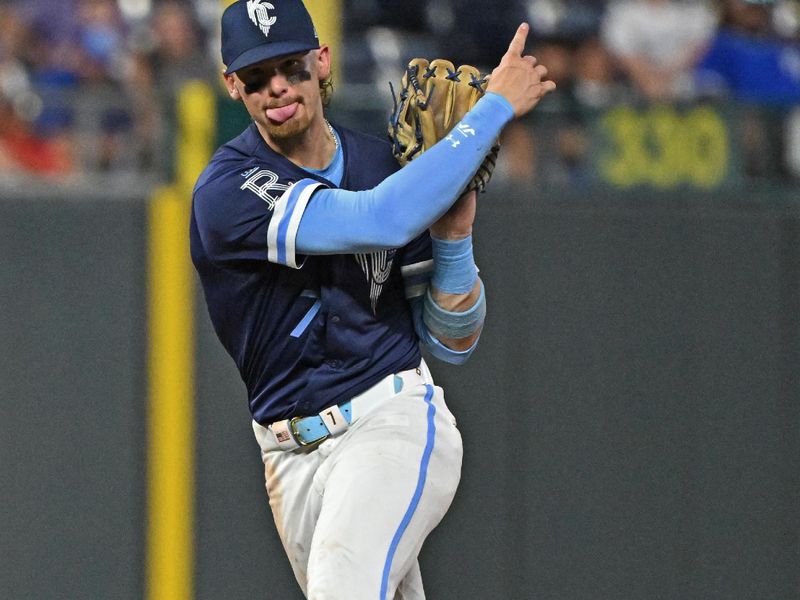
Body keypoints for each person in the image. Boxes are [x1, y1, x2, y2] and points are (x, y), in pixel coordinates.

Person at [190, 1, 555, 598]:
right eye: (256, 76)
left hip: (391, 421)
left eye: (291, 66)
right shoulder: (228, 191)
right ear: (233, 85)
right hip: (289, 460)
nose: (277, 86)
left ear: (321, 60)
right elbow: (381, 218)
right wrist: (493, 110)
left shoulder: (386, 168)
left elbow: (452, 341)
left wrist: (454, 240)